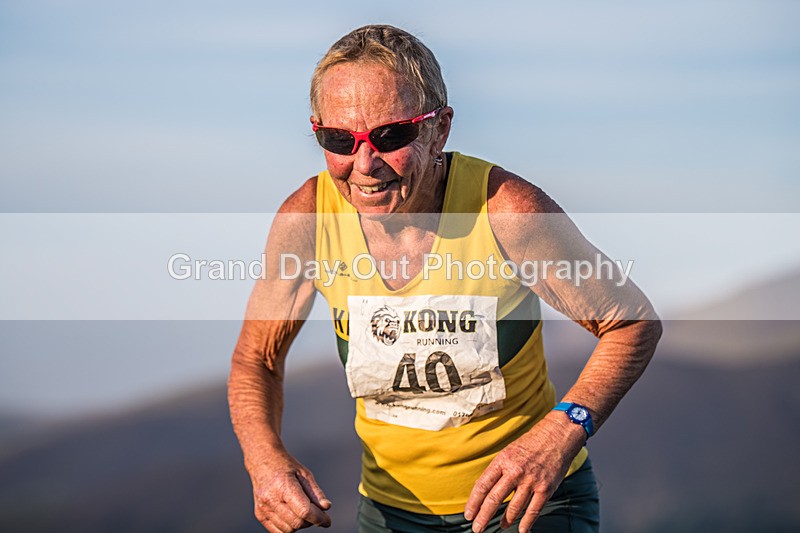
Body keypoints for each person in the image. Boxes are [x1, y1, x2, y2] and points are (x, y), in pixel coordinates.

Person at [228, 24, 661, 533]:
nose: (365, 164)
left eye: (392, 135)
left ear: (441, 128)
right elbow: (256, 357)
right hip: (389, 514)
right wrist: (263, 459)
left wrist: (562, 431)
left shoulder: (507, 212)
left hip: (523, 507)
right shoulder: (309, 219)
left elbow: (631, 322)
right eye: (339, 139)